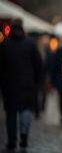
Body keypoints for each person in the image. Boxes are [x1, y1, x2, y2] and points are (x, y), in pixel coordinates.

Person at [0, 22, 42, 150]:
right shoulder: (30, 44)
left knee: (11, 114)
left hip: (9, 87)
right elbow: (38, 65)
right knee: (25, 111)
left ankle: (12, 141)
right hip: (27, 85)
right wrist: (36, 81)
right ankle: (24, 136)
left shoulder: (5, 45)